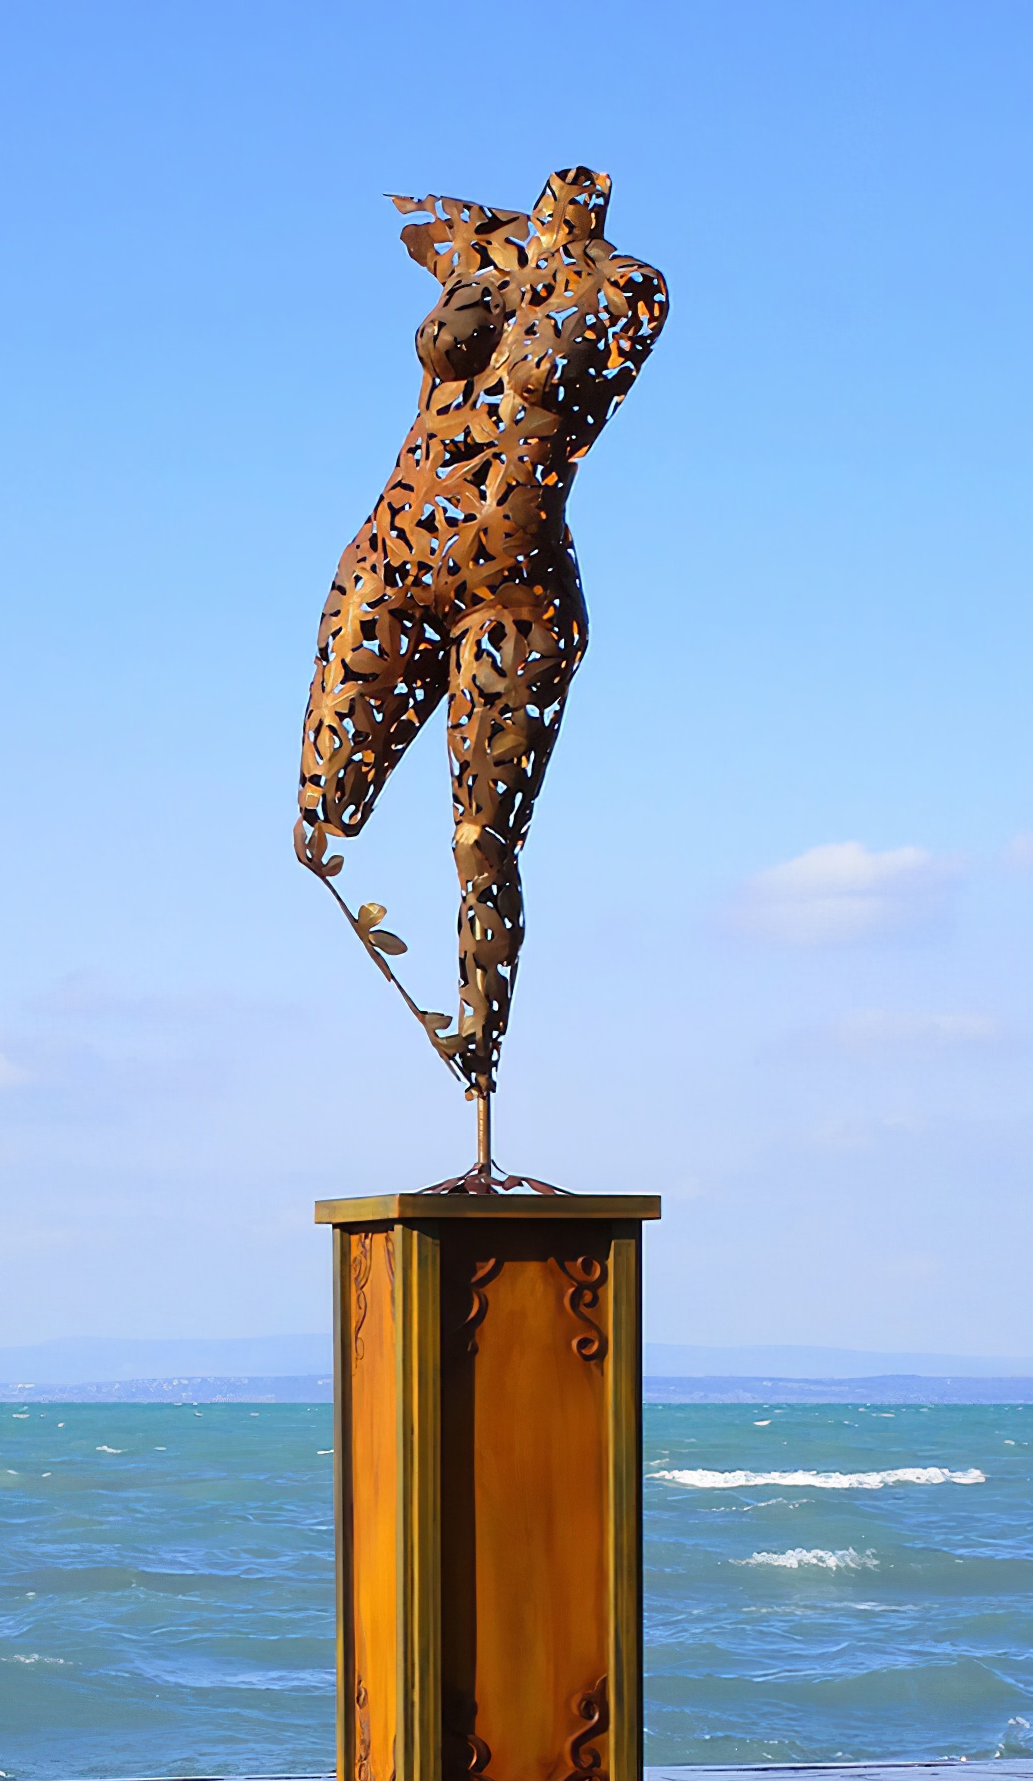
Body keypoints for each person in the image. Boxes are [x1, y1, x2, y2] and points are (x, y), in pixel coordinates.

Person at [295, 167, 668, 1110]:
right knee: (323, 813)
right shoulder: (476, 245)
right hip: (393, 553)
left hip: (515, 592)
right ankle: (466, 1052)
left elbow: (588, 360)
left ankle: (481, 1048)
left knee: (483, 839)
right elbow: (397, 215)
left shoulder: (629, 288)